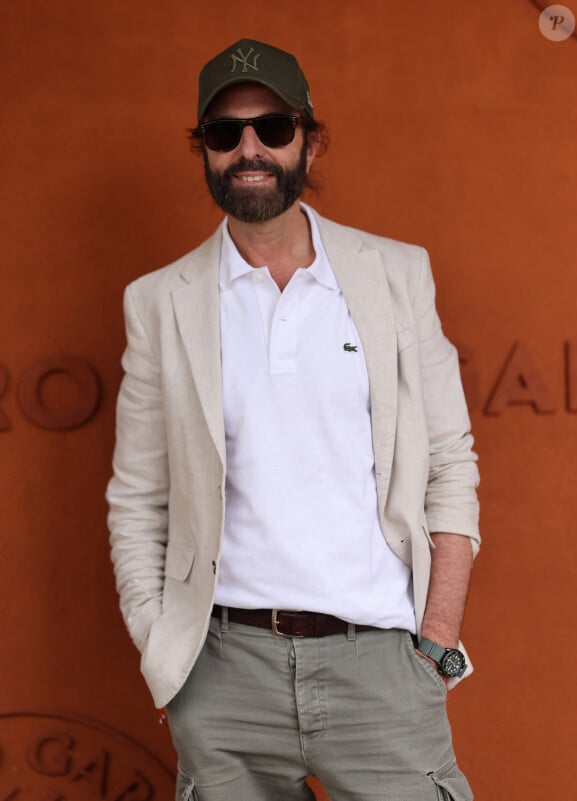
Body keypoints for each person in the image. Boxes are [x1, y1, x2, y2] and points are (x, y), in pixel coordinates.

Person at [107, 38, 480, 801]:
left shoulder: (395, 273)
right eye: (224, 133)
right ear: (204, 151)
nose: (249, 148)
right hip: (223, 674)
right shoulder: (159, 301)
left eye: (272, 127)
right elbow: (138, 497)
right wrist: (163, 651)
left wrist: (435, 640)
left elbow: (450, 460)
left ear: (308, 139)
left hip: (379, 664)